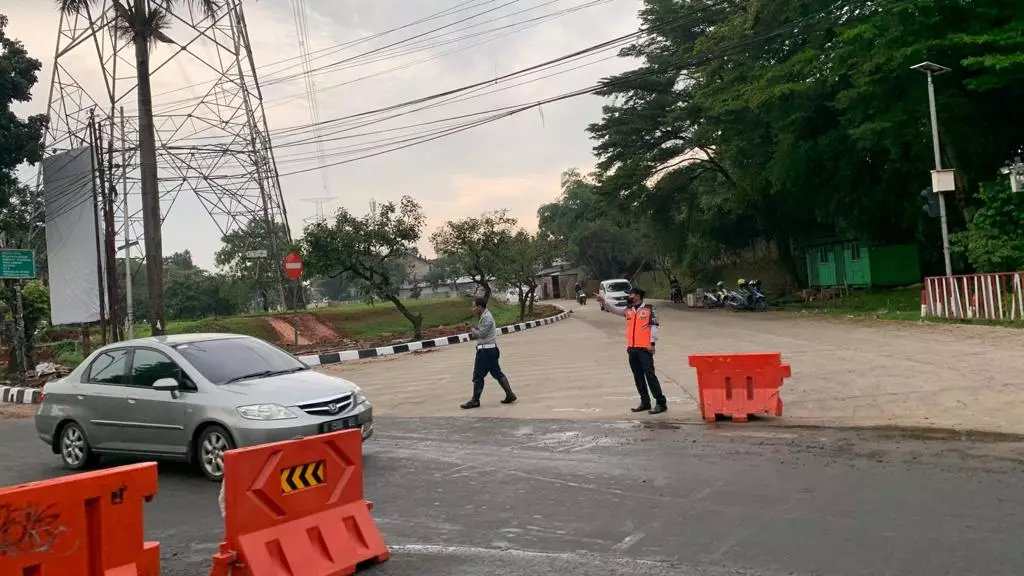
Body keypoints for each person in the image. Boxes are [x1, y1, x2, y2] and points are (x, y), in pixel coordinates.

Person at [595, 286, 667, 414]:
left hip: (645, 348)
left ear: (638, 296)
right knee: (638, 377)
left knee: (650, 376)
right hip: (632, 349)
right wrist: (603, 301)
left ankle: (661, 403)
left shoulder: (649, 310)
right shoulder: (628, 310)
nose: (629, 296)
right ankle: (645, 402)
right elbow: (613, 310)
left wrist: (652, 343)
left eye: (631, 294)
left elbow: (654, 327)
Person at [461, 296, 517, 409]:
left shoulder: (486, 317)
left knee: (478, 376)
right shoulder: (484, 316)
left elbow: (481, 334)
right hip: (489, 350)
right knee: (497, 373)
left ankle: (475, 400)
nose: (473, 309)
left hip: (486, 351)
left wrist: (472, 328)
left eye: (474, 306)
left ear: (480, 307)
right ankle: (510, 394)